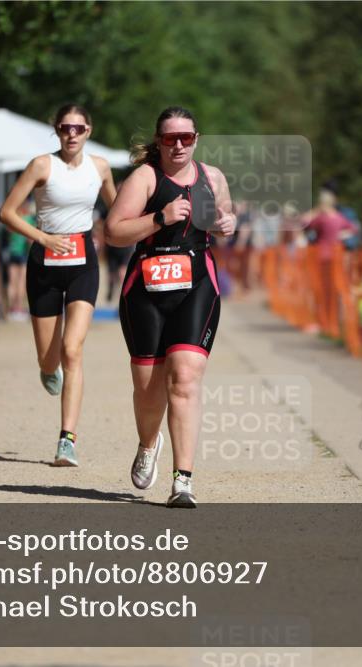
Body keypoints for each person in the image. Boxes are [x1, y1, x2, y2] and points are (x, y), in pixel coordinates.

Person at [105, 106, 236, 508]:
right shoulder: (145, 179)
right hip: (146, 289)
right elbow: (113, 232)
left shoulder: (213, 178)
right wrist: (160, 219)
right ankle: (148, 444)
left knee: (184, 377)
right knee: (148, 390)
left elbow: (224, 221)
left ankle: (183, 480)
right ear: (159, 141)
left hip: (197, 285)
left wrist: (226, 226)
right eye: (170, 138)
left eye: (186, 137)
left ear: (196, 139)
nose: (178, 145)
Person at [0, 104, 117, 466]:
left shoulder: (100, 167)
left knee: (72, 349)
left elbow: (117, 209)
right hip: (44, 262)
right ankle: (49, 369)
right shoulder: (41, 165)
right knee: (50, 359)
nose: (72, 134)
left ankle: (67, 440)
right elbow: (7, 212)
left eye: (78, 128)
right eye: (65, 128)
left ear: (89, 131)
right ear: (57, 130)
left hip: (83, 263)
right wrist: (43, 238)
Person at [301, 188, 357, 334]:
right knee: (333, 289)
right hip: (336, 257)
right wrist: (341, 235)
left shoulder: (322, 218)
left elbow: (304, 223)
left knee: (320, 289)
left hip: (322, 256)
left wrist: (315, 210)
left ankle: (322, 321)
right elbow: (354, 228)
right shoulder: (339, 217)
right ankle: (333, 320)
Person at [6, 199, 37, 320]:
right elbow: (30, 239)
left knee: (12, 282)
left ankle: (11, 308)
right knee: (21, 282)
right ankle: (18, 308)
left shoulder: (13, 219)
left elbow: (8, 234)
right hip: (23, 253)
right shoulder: (28, 219)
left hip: (12, 252)